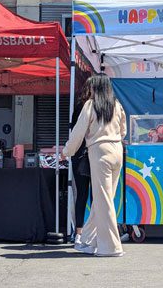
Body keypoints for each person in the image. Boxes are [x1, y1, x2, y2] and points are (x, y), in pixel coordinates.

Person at [62, 74, 127, 257]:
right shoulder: (117, 105)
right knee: (103, 200)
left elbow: (77, 133)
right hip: (117, 151)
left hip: (100, 152)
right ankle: (89, 242)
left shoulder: (90, 105)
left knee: (103, 200)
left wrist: (66, 151)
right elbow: (123, 131)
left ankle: (111, 247)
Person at [70, 78, 93, 246]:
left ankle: (79, 232)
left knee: (82, 195)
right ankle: (93, 232)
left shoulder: (79, 106)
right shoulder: (93, 107)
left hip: (78, 154)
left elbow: (74, 132)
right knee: (97, 196)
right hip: (92, 153)